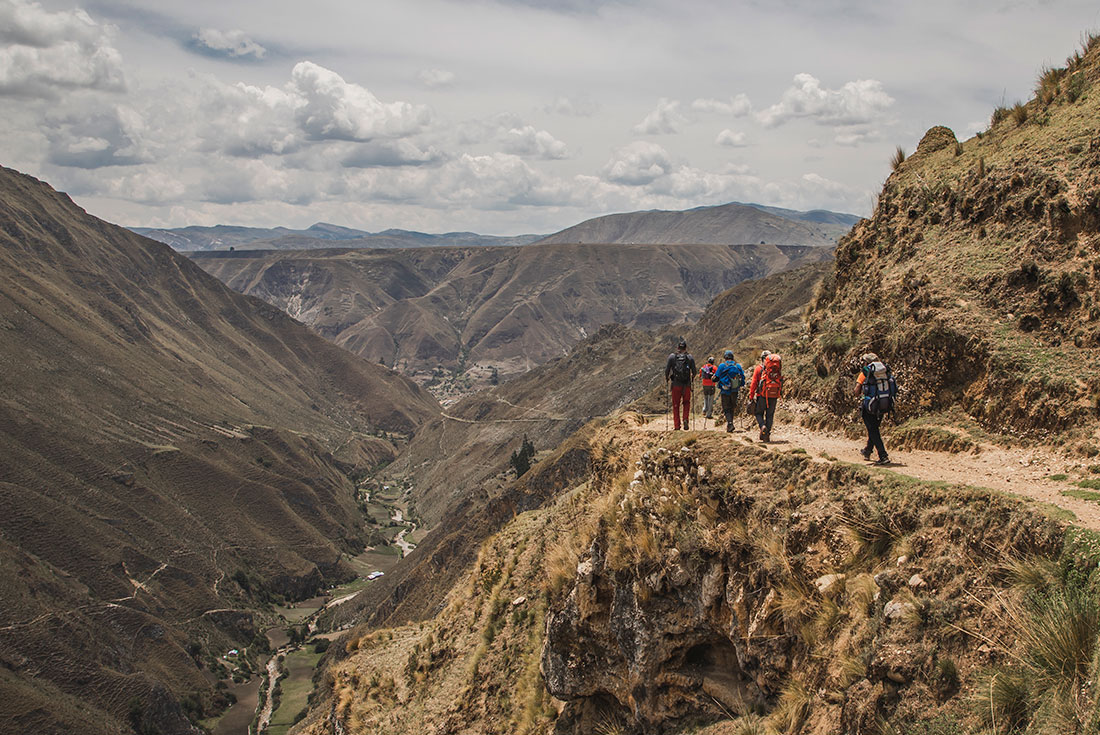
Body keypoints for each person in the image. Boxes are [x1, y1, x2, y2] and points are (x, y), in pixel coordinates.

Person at [856, 352, 895, 464]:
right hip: (883, 403)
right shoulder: (884, 372)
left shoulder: (866, 372)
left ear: (867, 362)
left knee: (873, 429)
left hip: (870, 404)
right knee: (874, 428)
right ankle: (868, 450)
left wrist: (861, 392)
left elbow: (857, 390)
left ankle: (883, 455)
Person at [748, 350, 782, 441]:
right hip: (774, 395)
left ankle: (762, 427)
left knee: (758, 413)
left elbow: (754, 383)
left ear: (762, 359)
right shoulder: (776, 369)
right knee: (770, 415)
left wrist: (751, 396)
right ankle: (766, 435)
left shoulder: (759, 369)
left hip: (762, 395)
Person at [664, 339, 696, 430]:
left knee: (675, 405)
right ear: (685, 348)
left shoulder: (672, 357)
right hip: (687, 385)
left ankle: (677, 425)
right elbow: (694, 371)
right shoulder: (689, 357)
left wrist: (667, 378)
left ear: (678, 348)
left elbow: (667, 370)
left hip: (676, 385)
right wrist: (692, 379)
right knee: (686, 403)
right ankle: (685, 419)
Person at [713, 350, 745, 432]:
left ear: (725, 358)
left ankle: (730, 423)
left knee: (726, 408)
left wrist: (713, 378)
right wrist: (739, 385)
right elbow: (742, 378)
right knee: (732, 407)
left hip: (725, 390)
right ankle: (730, 423)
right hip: (735, 390)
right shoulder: (737, 366)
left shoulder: (722, 366)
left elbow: (716, 378)